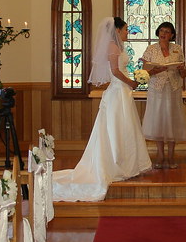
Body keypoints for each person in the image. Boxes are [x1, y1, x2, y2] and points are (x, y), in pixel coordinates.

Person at [53, 17, 151, 201]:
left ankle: (127, 164)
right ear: (117, 30)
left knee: (125, 128)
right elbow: (114, 71)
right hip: (117, 91)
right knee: (115, 128)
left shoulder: (118, 46)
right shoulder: (113, 46)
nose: (127, 32)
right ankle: (113, 164)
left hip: (123, 91)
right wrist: (131, 81)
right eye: (125, 29)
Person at [141, 21, 186, 169]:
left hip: (173, 89)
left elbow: (183, 73)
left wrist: (181, 69)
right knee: (159, 121)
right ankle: (160, 155)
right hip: (157, 89)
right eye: (162, 30)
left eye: (167, 31)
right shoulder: (151, 49)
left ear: (172, 35)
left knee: (172, 121)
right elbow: (145, 71)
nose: (163, 33)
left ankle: (171, 155)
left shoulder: (177, 49)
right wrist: (155, 69)